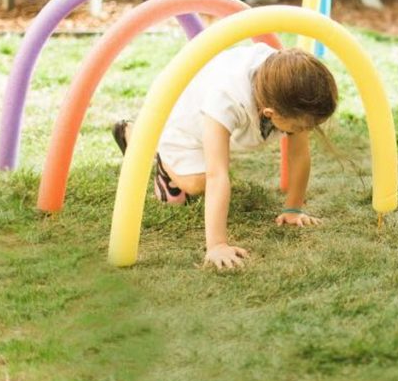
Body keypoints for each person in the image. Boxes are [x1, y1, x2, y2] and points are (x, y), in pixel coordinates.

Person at [112, 44, 338, 270]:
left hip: (214, 118)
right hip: (183, 121)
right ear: (270, 113)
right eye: (302, 126)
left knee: (217, 157)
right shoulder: (227, 98)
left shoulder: (289, 88)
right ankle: (144, 141)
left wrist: (293, 209)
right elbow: (216, 174)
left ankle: (149, 140)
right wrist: (217, 245)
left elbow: (299, 154)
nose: (307, 130)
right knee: (197, 183)